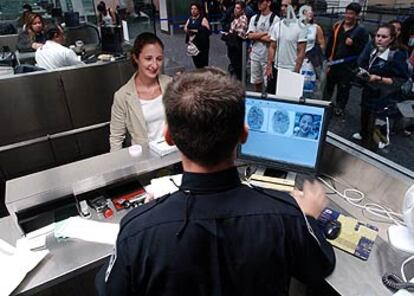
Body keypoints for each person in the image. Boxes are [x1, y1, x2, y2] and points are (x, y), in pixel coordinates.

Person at [96, 67, 336, 295]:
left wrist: (153, 215)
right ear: (244, 134)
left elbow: (107, 289)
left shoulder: (137, 230)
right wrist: (309, 217)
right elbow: (320, 265)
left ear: (169, 137)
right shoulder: (286, 216)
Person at [109, 32, 172, 151]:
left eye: (159, 59)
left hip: (173, 155)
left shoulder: (171, 84)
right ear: (136, 58)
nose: (154, 65)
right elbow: (116, 138)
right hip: (145, 159)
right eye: (148, 58)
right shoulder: (122, 96)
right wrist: (117, 165)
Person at [353, 24, 410, 151]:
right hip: (370, 89)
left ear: (392, 39)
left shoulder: (397, 54)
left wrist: (379, 78)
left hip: (385, 93)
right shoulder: (374, 49)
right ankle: (364, 134)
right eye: (377, 36)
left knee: (380, 119)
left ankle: (379, 143)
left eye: (384, 37)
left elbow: (401, 79)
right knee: (365, 113)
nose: (379, 39)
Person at [325, 2, 369, 116]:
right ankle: (325, 104)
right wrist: (327, 58)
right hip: (334, 62)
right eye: (347, 13)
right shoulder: (337, 26)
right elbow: (330, 43)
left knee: (343, 88)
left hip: (348, 66)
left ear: (357, 16)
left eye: (352, 14)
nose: (348, 16)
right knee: (328, 86)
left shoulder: (361, 31)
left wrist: (353, 44)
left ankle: (340, 107)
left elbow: (364, 50)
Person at [266, 0, 307, 94]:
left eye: (286, 6)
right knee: (272, 98)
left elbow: (301, 51)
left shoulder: (301, 27)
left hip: (291, 69)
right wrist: (269, 66)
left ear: (294, 7)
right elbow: (272, 47)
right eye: (282, 6)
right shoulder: (277, 25)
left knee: (288, 100)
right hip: (276, 68)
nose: (283, 8)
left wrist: (296, 70)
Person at [246, 0, 279, 92]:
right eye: (258, 2)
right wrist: (265, 33)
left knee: (269, 84)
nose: (259, 4)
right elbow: (249, 35)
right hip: (255, 56)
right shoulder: (254, 18)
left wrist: (256, 35)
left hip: (267, 58)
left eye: (261, 2)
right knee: (256, 82)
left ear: (268, 3)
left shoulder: (275, 19)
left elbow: (270, 39)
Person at [300, 5, 326, 97]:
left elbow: (322, 44)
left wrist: (315, 53)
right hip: (298, 58)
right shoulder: (297, 26)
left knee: (309, 85)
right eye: (307, 11)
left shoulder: (316, 27)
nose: (310, 13)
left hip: (310, 59)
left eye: (311, 11)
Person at [222, 0, 248, 80]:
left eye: (238, 8)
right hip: (232, 45)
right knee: (234, 65)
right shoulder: (235, 18)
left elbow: (240, 34)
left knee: (238, 67)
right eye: (235, 8)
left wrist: (228, 35)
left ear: (242, 10)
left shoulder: (243, 19)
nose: (235, 10)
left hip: (237, 46)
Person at [184, 3, 211, 68]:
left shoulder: (203, 19)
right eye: (192, 9)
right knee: (196, 62)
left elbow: (208, 31)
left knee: (203, 63)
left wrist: (196, 30)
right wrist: (187, 30)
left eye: (195, 9)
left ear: (198, 10)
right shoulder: (190, 19)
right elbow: (185, 27)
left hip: (202, 45)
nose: (193, 10)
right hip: (193, 44)